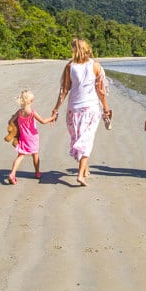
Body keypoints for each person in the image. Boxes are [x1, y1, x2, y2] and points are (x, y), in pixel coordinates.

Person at [51, 38, 111, 187]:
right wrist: (106, 108)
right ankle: (80, 175)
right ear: (87, 49)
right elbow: (101, 91)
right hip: (91, 108)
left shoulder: (69, 66)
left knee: (80, 138)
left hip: (74, 109)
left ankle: (85, 169)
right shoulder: (95, 66)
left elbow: (64, 90)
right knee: (87, 139)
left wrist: (56, 108)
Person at [8, 89, 56, 185]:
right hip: (32, 137)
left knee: (20, 155)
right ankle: (37, 172)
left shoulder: (19, 112)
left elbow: (11, 121)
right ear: (31, 101)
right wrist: (53, 117)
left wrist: (16, 124)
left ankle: (12, 174)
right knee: (35, 154)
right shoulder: (32, 113)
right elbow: (43, 121)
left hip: (23, 137)